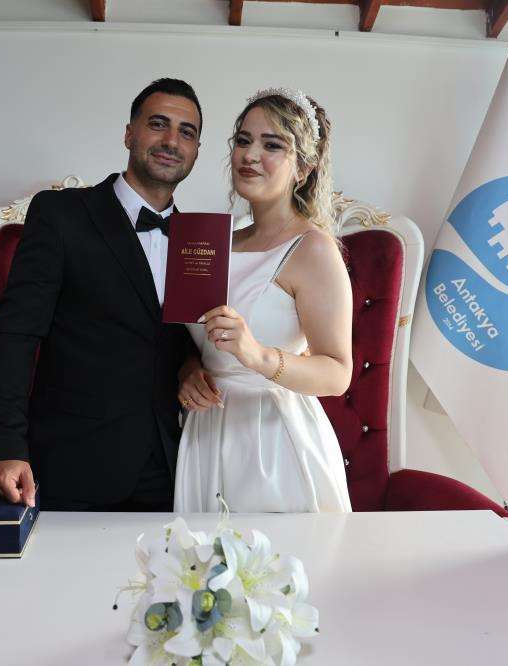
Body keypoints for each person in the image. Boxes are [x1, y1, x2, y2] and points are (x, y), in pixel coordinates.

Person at [0, 78, 202, 511]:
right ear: (129, 134)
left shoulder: (199, 241)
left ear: (195, 151)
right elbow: (16, 335)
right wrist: (3, 447)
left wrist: (190, 365)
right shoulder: (61, 214)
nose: (171, 141)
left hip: (171, 469)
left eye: (186, 132)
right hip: (72, 463)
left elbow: (185, 340)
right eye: (158, 124)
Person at [174, 88, 354, 513]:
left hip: (273, 443)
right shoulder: (211, 243)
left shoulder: (314, 249)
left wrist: (256, 355)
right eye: (243, 140)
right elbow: (191, 342)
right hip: (205, 432)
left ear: (304, 167)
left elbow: (337, 373)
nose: (250, 155)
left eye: (272, 145)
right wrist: (188, 370)